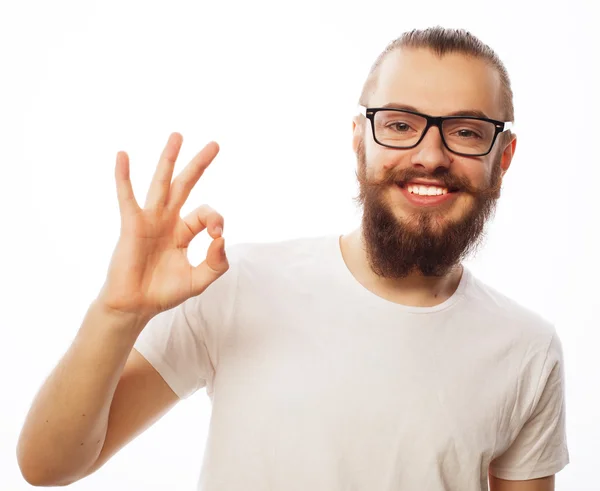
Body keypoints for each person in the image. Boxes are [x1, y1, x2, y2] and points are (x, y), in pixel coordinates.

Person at [17, 26, 569, 491]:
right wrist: (117, 313)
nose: (430, 155)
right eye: (400, 124)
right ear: (360, 141)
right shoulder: (238, 286)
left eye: (467, 131)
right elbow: (49, 465)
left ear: (504, 155)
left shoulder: (527, 350)